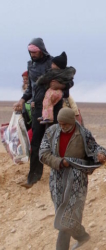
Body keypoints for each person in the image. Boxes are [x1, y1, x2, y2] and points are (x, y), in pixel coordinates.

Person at [39, 108, 106, 250]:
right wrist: (60, 162)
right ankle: (82, 236)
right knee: (61, 211)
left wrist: (101, 154)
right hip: (57, 178)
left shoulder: (83, 133)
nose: (62, 126)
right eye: (60, 123)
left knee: (67, 214)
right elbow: (43, 153)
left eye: (65, 124)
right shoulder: (51, 132)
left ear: (72, 122)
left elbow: (95, 148)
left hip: (77, 179)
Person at [13, 38, 73, 188]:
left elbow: (69, 81)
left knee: (56, 140)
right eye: (30, 52)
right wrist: (22, 100)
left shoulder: (53, 62)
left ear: (41, 50)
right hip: (37, 108)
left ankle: (60, 176)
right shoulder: (30, 65)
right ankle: (33, 177)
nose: (32, 55)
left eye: (35, 52)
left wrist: (61, 85)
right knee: (36, 142)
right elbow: (30, 89)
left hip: (55, 106)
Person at [37, 52, 75, 124]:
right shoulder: (66, 73)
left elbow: (43, 79)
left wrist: (39, 81)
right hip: (60, 94)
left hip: (54, 93)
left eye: (53, 64)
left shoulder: (53, 73)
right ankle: (45, 116)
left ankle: (48, 117)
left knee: (48, 103)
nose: (51, 65)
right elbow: (70, 81)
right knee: (49, 104)